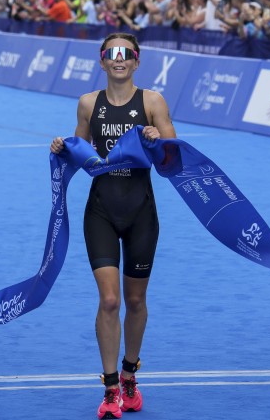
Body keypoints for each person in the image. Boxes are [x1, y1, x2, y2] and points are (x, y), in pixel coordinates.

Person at [50, 33, 176, 419]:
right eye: (111, 54)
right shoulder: (88, 103)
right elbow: (80, 150)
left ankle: (129, 375)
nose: (119, 60)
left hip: (141, 213)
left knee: (136, 301)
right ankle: (108, 389)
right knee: (109, 300)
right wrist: (62, 147)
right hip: (101, 211)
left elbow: (174, 158)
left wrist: (158, 140)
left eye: (126, 54)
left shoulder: (152, 102)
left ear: (137, 61)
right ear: (101, 61)